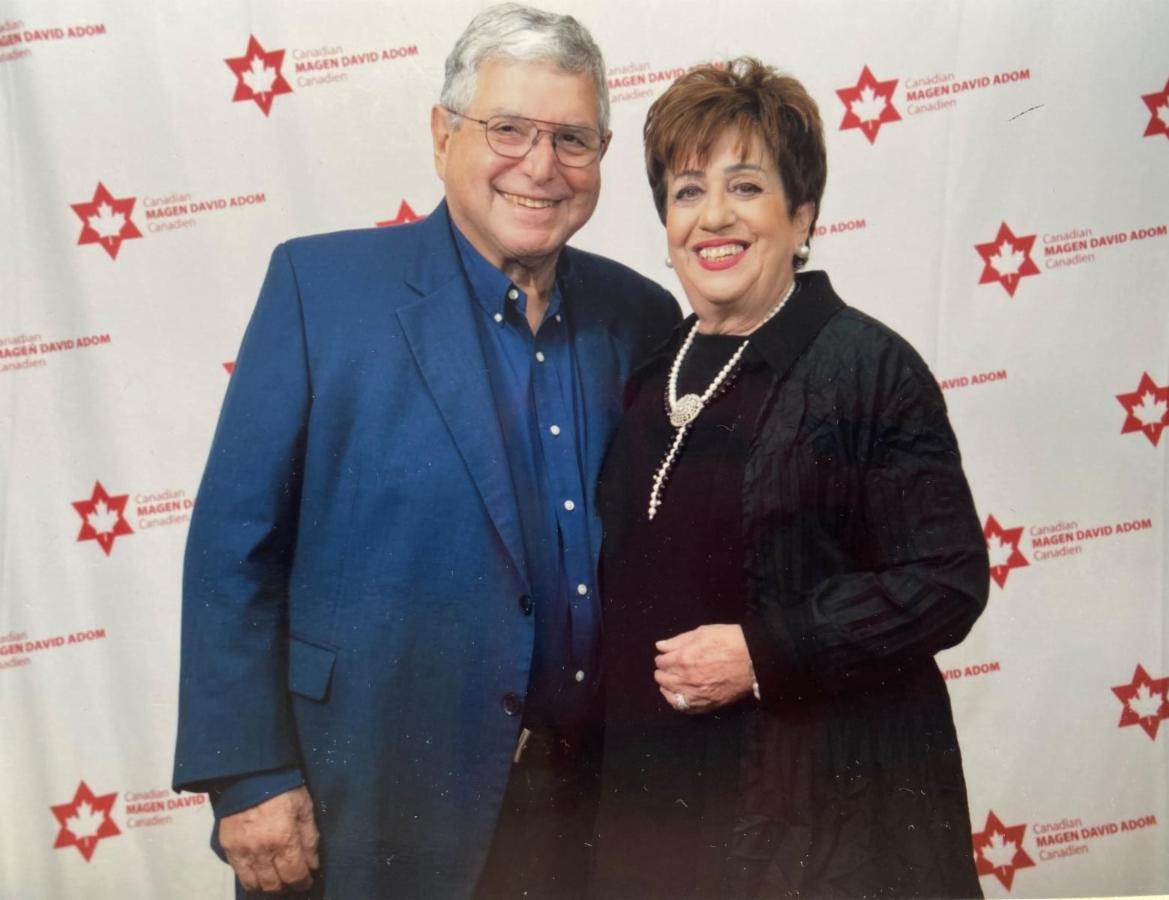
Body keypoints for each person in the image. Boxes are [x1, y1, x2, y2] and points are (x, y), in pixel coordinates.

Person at [172, 5, 679, 898]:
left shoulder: (640, 315)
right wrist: (248, 776)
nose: (540, 165)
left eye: (571, 139)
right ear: (443, 137)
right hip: (369, 792)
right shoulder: (320, 289)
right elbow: (232, 548)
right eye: (508, 129)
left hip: (589, 804)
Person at [589, 58, 988, 899]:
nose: (714, 217)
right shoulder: (654, 369)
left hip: (817, 812)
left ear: (801, 215)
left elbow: (947, 581)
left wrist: (765, 653)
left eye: (746, 187)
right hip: (657, 803)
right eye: (688, 191)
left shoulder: (867, 366)